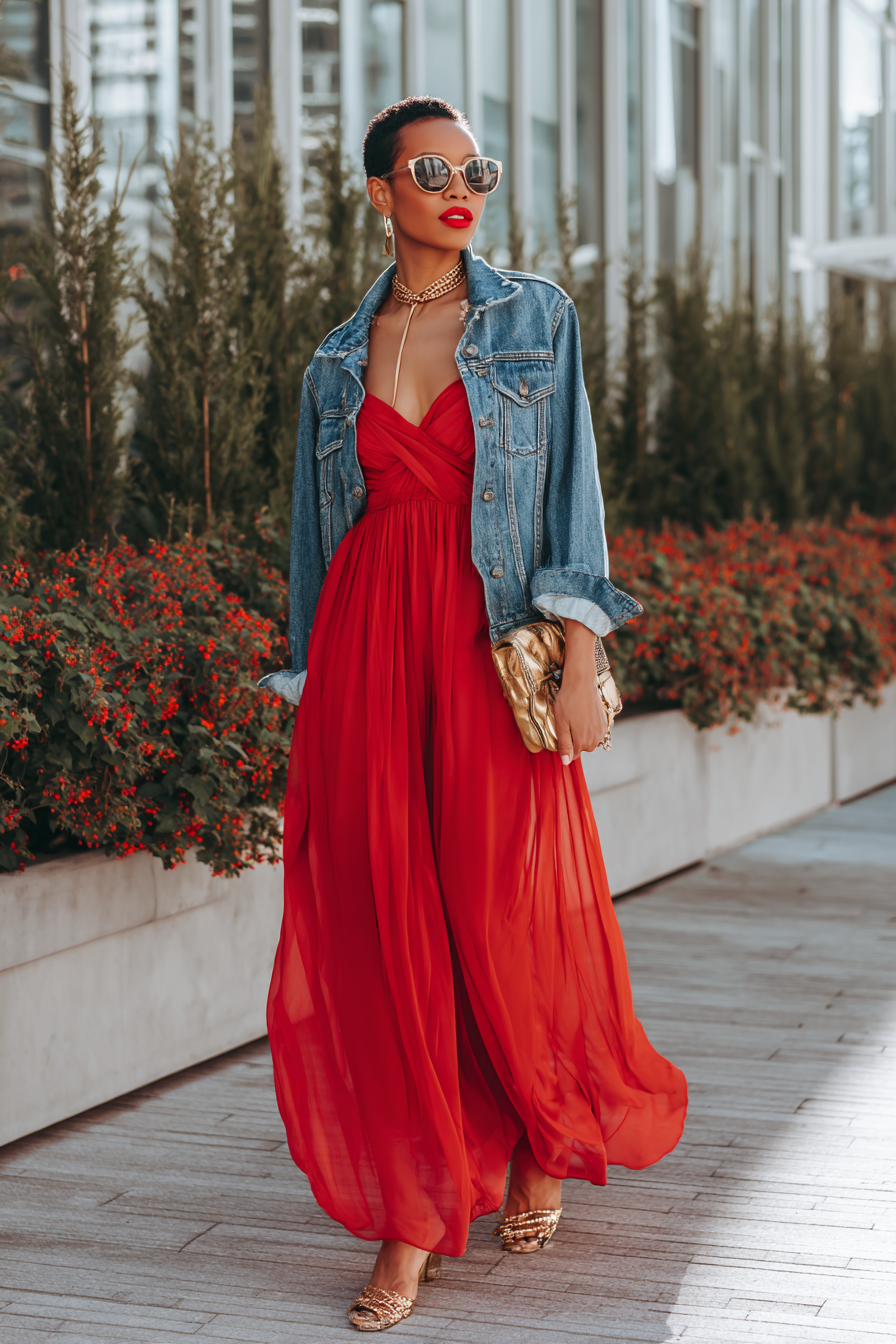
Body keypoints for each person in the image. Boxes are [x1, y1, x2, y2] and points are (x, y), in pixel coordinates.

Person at [260, 96, 687, 1333]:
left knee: (504, 907)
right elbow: (315, 544)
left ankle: (541, 1135)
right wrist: (310, 690)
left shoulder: (532, 318)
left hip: (483, 640)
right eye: (431, 171)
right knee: (390, 925)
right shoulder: (332, 365)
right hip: (365, 652)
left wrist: (578, 652)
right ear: (379, 191)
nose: (461, 191)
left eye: (476, 170)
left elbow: (570, 494)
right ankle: (415, 1210)